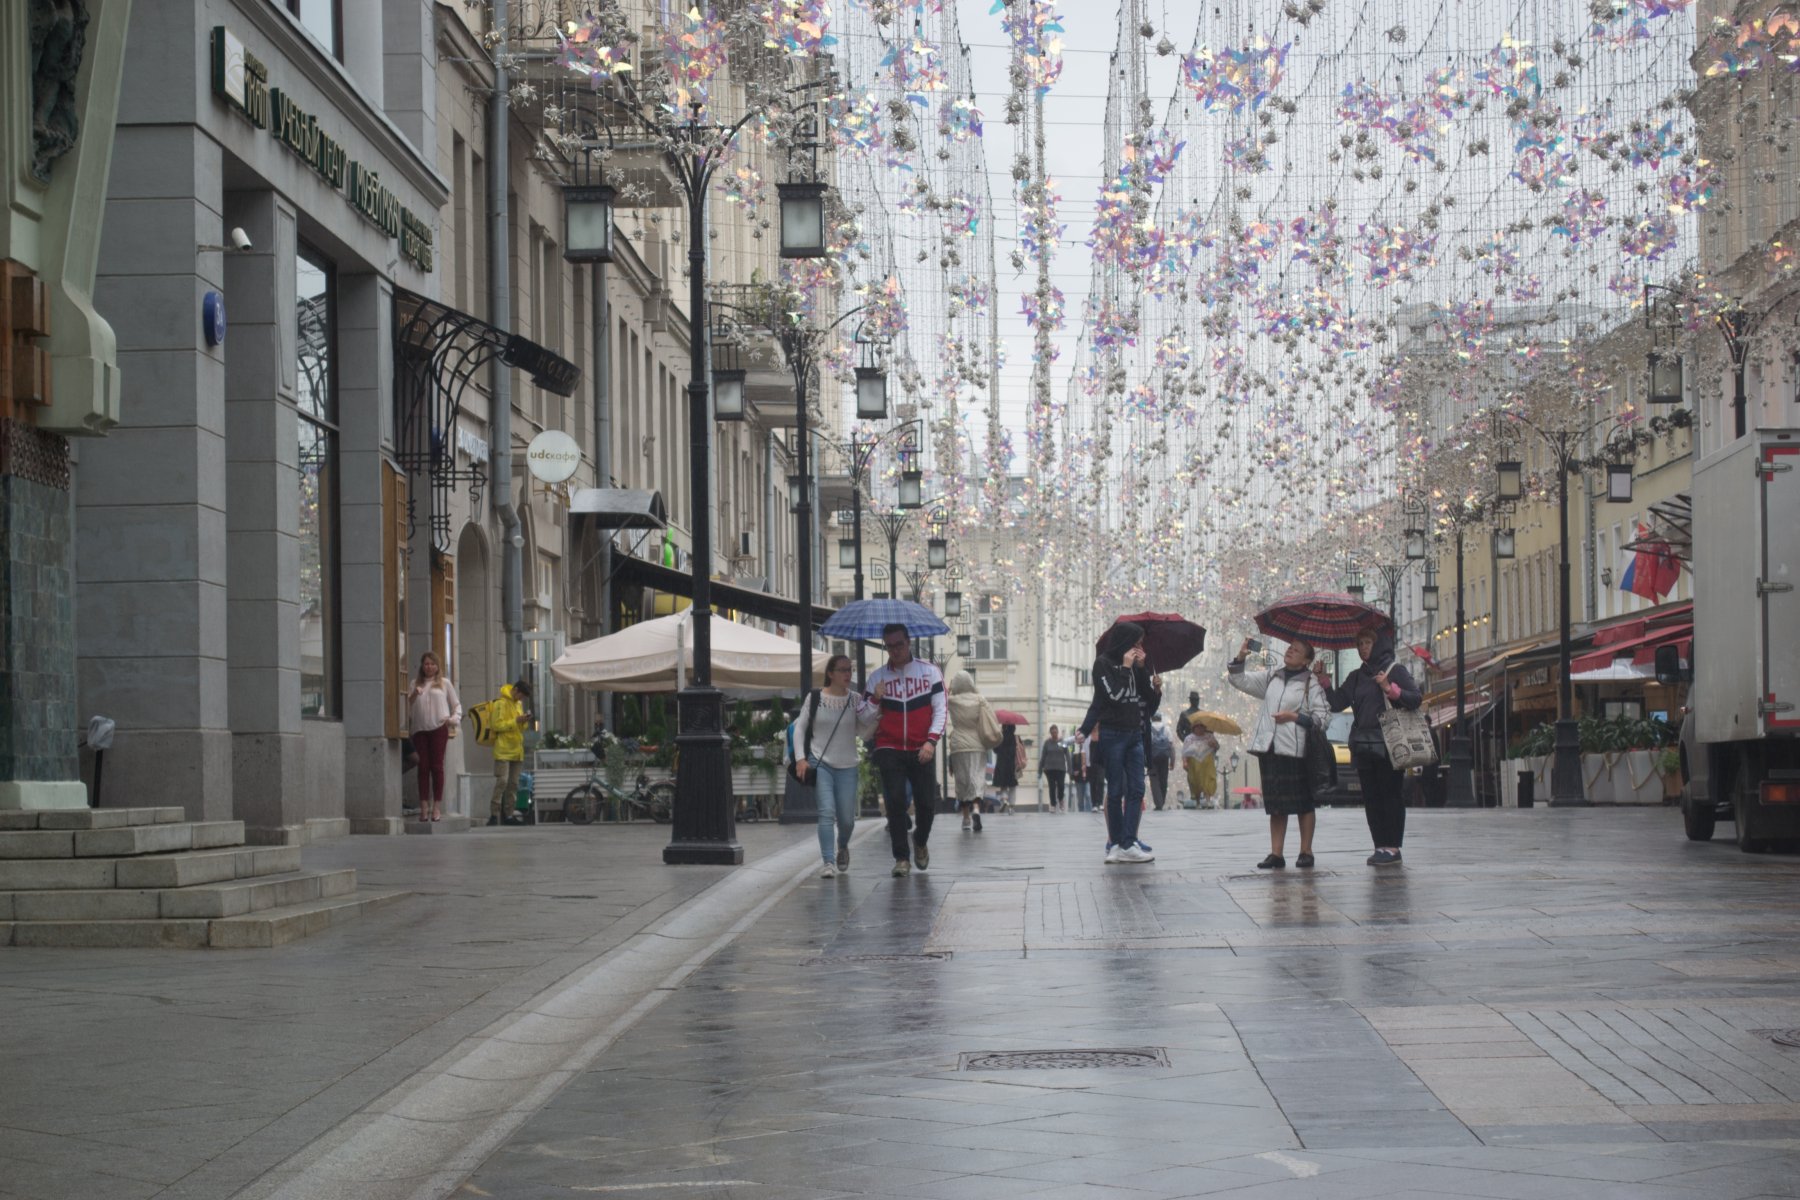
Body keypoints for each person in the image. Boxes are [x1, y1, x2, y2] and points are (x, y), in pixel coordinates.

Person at [1322, 626, 1422, 866]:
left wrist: (1389, 689)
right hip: (1364, 744)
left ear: (1379, 644)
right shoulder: (1357, 676)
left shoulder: (1394, 670)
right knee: (1371, 797)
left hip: (1389, 742)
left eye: (1367, 643)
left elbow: (1415, 698)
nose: (1362, 648)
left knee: (1390, 795)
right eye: (1359, 645)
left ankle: (1393, 847)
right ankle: (1379, 845)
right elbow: (1337, 703)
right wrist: (1324, 682)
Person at [1229, 637, 1330, 868]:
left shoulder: (1311, 683)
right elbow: (1239, 679)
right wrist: (1242, 656)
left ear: (1306, 660)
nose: (1290, 651)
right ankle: (1276, 854)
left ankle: (1306, 851)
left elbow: (1323, 719)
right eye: (1290, 648)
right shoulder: (1273, 676)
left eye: (1297, 650)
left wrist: (1295, 717)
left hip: (1296, 749)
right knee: (1276, 803)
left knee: (1303, 802)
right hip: (1271, 747)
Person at [863, 624, 947, 876]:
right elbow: (864, 718)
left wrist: (931, 741)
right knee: (895, 801)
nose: (895, 650)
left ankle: (920, 841)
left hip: (922, 747)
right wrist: (875, 699)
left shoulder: (930, 672)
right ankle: (901, 858)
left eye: (899, 644)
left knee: (926, 804)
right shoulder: (877, 677)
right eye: (889, 646)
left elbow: (941, 709)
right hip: (889, 747)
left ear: (909, 642)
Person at [789, 653, 879, 878]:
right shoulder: (816, 697)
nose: (848, 674)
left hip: (848, 765)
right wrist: (800, 758)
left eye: (850, 669)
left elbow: (863, 732)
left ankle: (843, 845)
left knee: (847, 820)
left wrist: (878, 718)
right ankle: (828, 861)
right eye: (843, 670)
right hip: (820, 764)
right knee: (826, 813)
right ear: (831, 673)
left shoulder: (856, 699)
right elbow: (800, 729)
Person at [1089, 621, 1161, 864]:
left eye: (1140, 645)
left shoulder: (1134, 667)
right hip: (1113, 734)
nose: (1138, 648)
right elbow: (1115, 697)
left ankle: (1129, 843)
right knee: (1116, 790)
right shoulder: (1103, 665)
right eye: (1135, 644)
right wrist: (1126, 667)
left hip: (1135, 734)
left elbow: (1147, 702)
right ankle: (1116, 843)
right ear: (1124, 643)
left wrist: (1146, 676)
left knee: (1137, 789)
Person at [408, 651, 462, 822]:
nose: (429, 667)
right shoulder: (414, 684)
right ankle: (424, 807)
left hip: (439, 728)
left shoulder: (444, 683)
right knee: (422, 768)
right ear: (422, 666)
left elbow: (456, 705)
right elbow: (407, 705)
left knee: (437, 767)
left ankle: (436, 807)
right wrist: (415, 693)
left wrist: (452, 720)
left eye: (432, 664)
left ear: (438, 666)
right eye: (426, 664)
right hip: (419, 730)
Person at [945, 670, 997, 832]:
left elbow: (940, 699)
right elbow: (991, 717)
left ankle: (966, 818)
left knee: (962, 781)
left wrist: (949, 689)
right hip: (977, 744)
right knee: (976, 777)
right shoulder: (979, 700)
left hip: (958, 745)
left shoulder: (951, 701)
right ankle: (976, 809)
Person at [486, 678, 533, 826]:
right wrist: (516, 721)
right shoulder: (500, 703)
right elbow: (496, 725)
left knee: (513, 784)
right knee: (502, 781)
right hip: (503, 749)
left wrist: (524, 721)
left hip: (516, 749)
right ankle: (494, 815)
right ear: (516, 690)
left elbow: (520, 728)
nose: (522, 699)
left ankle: (509, 814)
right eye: (521, 696)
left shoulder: (518, 704)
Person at [1182, 724, 1221, 808]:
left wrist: (1214, 744)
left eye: (1202, 727)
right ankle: (1198, 801)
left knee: (1209, 779)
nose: (1200, 729)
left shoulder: (1210, 736)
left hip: (1208, 763)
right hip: (1194, 764)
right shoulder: (1189, 738)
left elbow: (1217, 746)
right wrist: (1185, 762)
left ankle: (1208, 800)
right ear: (1194, 728)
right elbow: (1185, 752)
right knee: (1195, 782)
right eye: (1197, 727)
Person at [992, 722, 1024, 814]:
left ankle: (1004, 800)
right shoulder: (1016, 738)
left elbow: (995, 750)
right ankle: (1011, 808)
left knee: (1003, 785)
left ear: (1003, 727)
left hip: (1001, 765)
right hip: (1013, 765)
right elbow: (1021, 749)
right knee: (1013, 786)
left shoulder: (1000, 737)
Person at [1147, 712, 1174, 811]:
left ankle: (1158, 803)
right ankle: (1162, 800)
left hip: (1152, 758)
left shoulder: (1148, 728)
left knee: (1154, 780)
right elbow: (1171, 746)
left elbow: (1146, 744)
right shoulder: (1166, 728)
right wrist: (1172, 761)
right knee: (1163, 779)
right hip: (1164, 757)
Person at [1039, 725, 1069, 812]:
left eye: (1055, 732)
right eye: (1052, 733)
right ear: (1050, 733)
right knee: (1051, 787)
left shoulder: (1062, 742)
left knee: (1061, 785)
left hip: (1061, 768)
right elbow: (1043, 756)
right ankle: (1053, 804)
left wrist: (1070, 769)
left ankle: (1061, 800)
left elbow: (1067, 755)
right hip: (1049, 769)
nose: (1054, 734)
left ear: (1057, 732)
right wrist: (1040, 770)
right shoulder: (1047, 743)